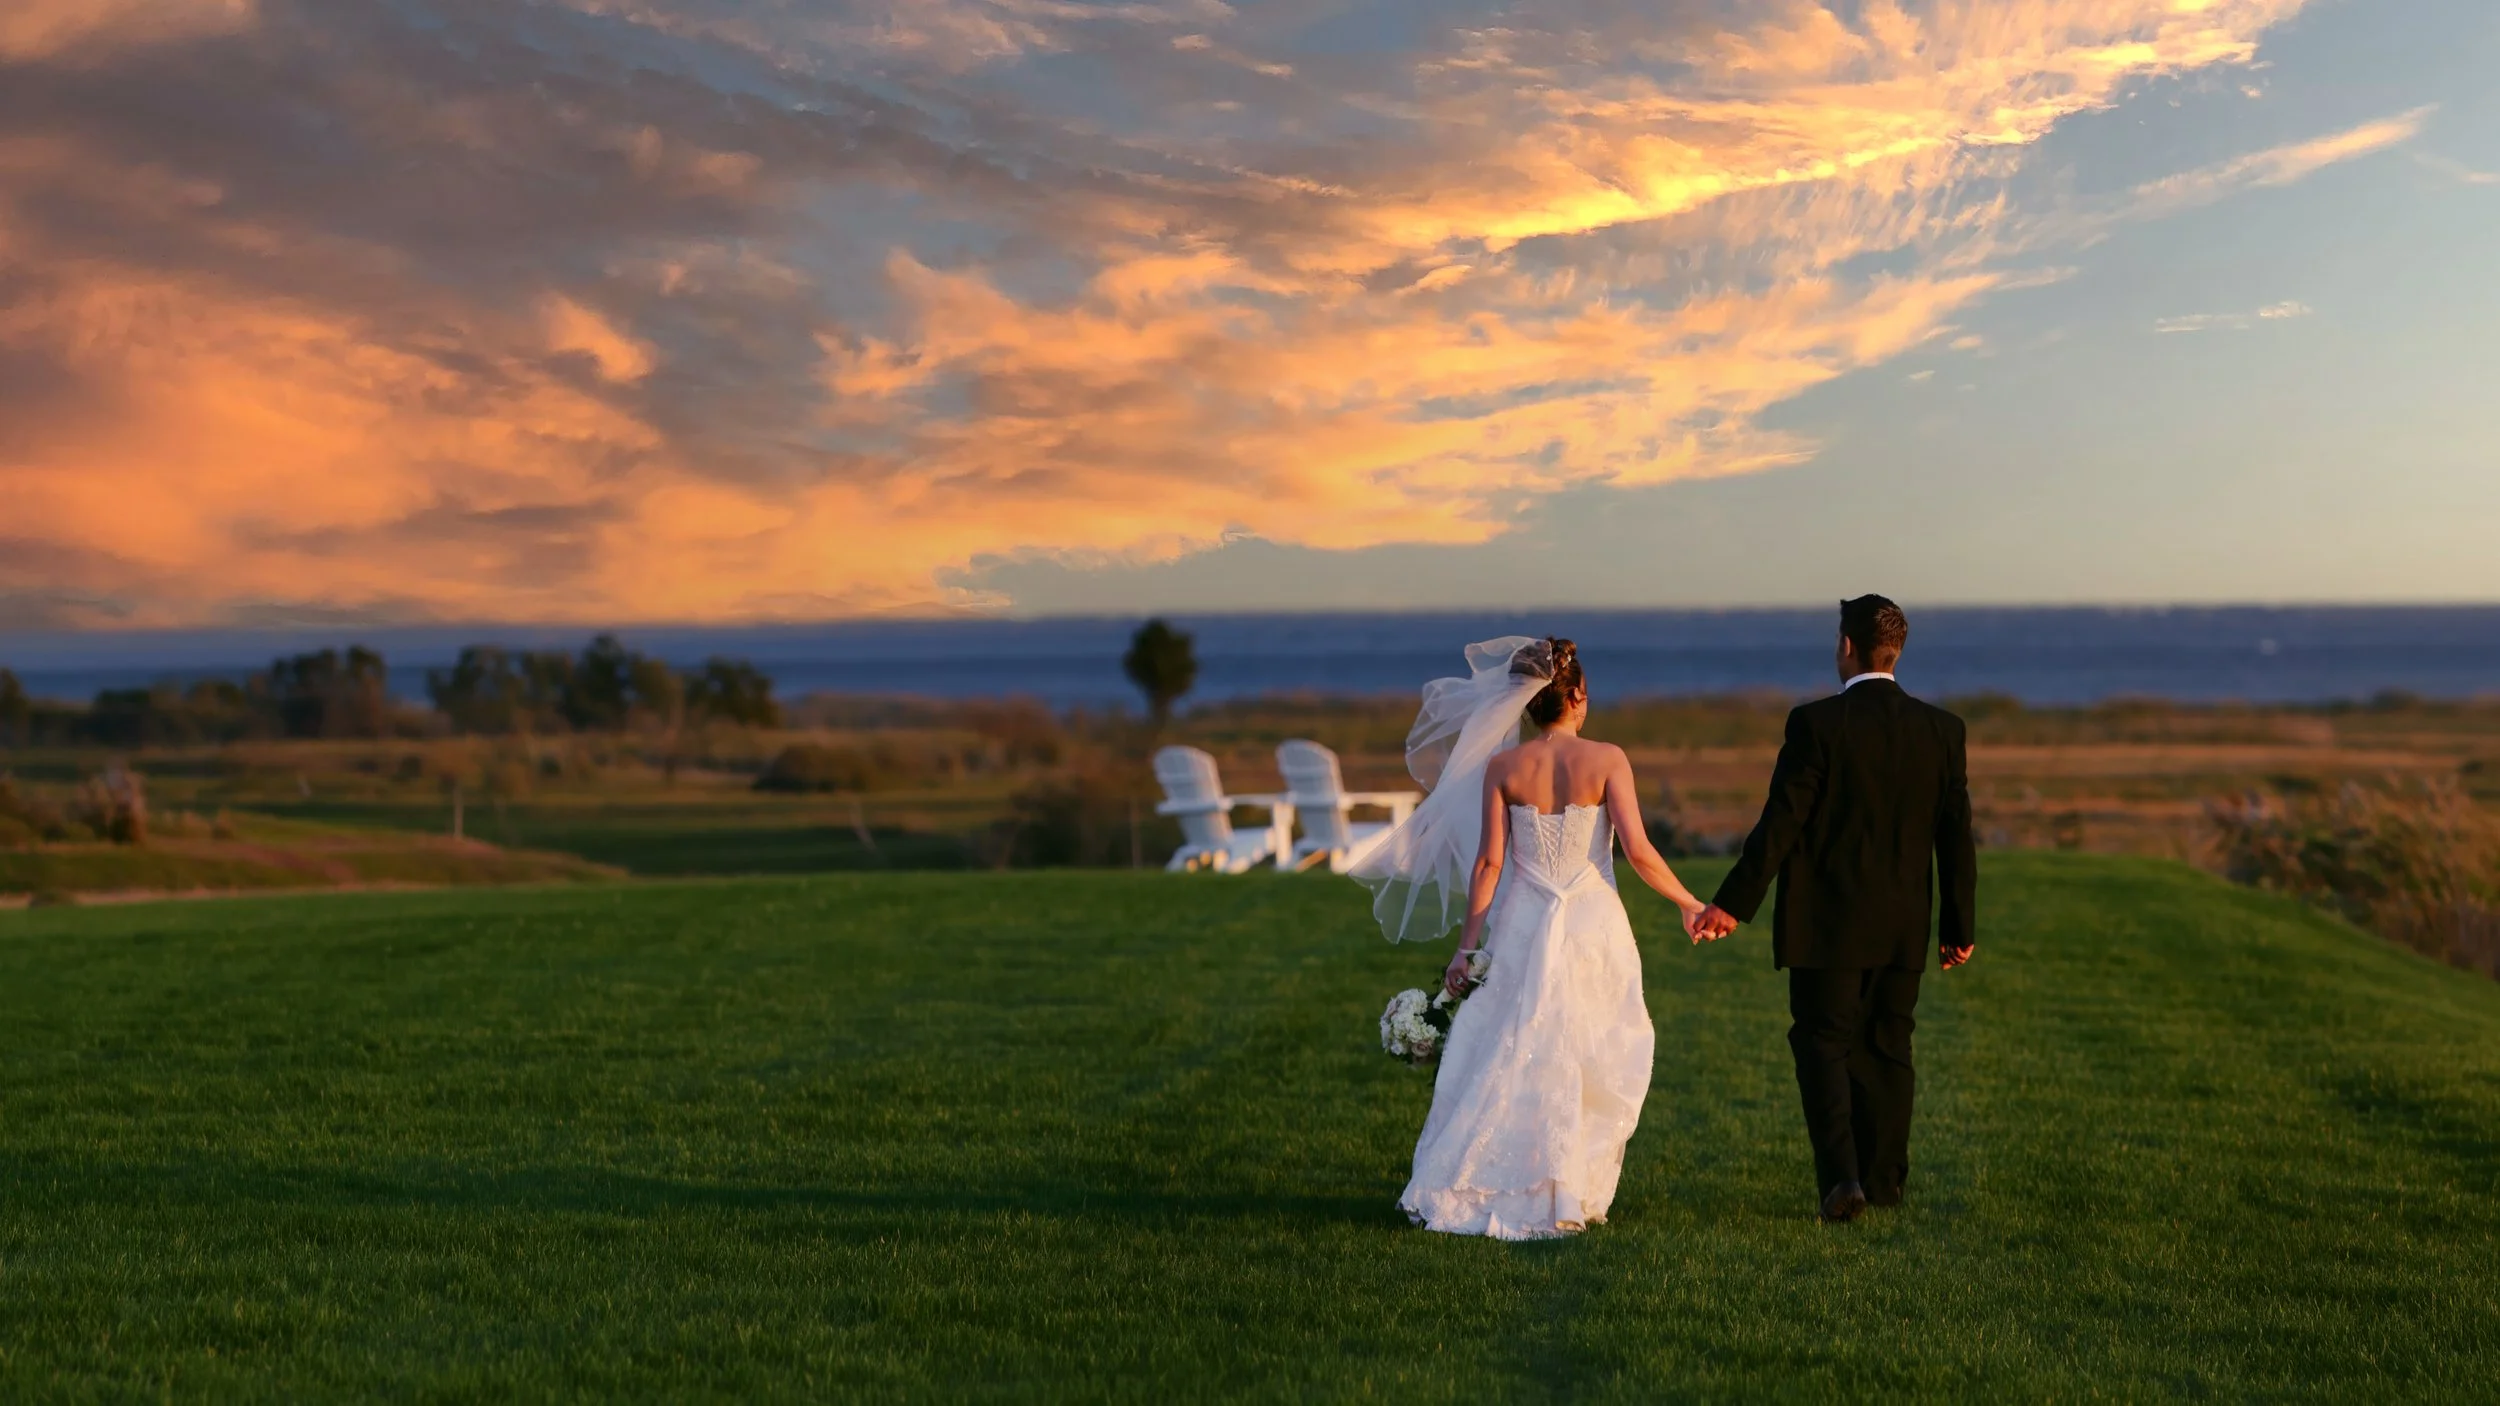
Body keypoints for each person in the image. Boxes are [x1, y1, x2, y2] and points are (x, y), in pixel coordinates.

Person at [1352, 636, 1711, 1239]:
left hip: (1522, 918)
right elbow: (1640, 850)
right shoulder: (1608, 759)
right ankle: (1566, 1187)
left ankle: (1487, 1179)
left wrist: (1467, 950)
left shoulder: (1503, 767)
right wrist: (1689, 902)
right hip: (1592, 922)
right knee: (1584, 1049)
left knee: (1508, 1049)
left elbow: (1489, 866)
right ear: (1577, 697)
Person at [1688, 595, 1977, 1223]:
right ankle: (1886, 1182)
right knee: (1890, 1046)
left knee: (1823, 1044)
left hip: (1826, 926)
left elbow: (1780, 825)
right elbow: (1955, 836)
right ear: (1894, 652)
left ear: (1847, 647)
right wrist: (1959, 927)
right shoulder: (1942, 731)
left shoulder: (1815, 725)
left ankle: (1843, 1180)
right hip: (1903, 925)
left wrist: (1733, 904)